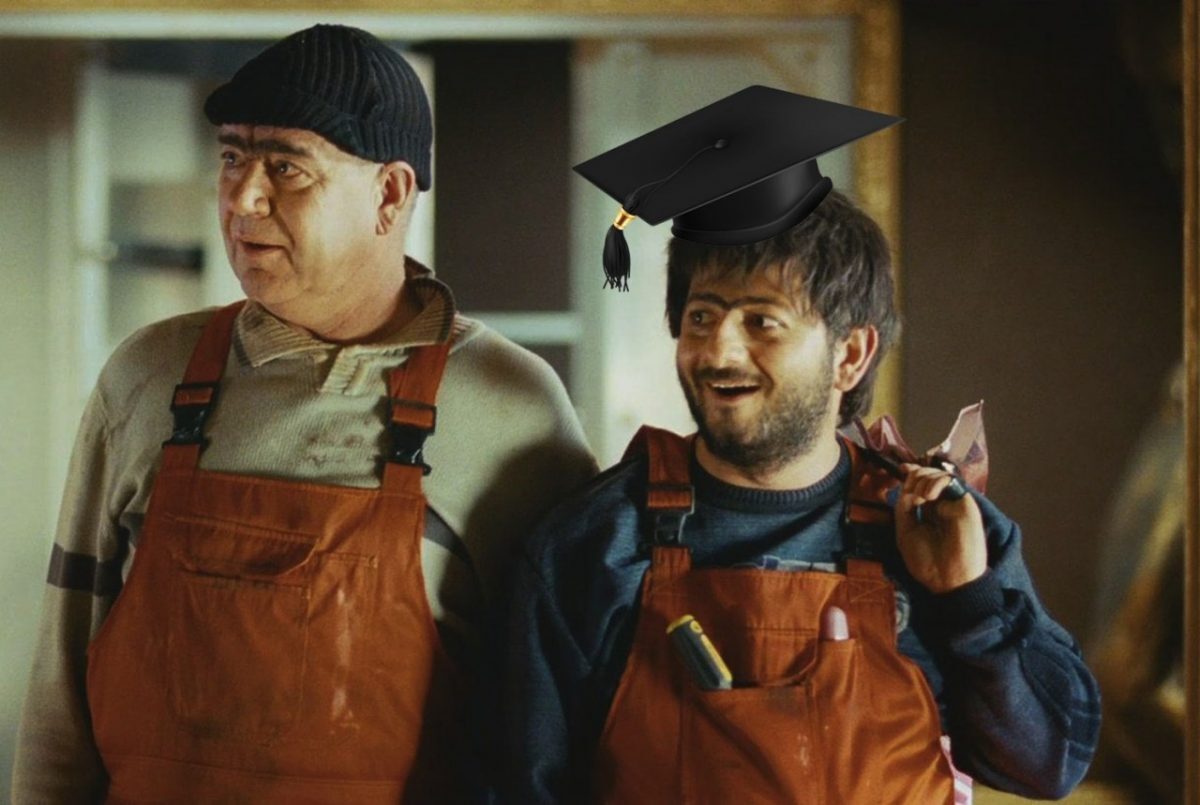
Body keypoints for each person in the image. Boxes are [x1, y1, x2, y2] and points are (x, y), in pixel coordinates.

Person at [13, 24, 595, 803]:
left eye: (285, 166)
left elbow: (563, 727)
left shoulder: (510, 408)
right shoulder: (147, 375)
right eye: (232, 158)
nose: (242, 198)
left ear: (390, 194)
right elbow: (60, 696)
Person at [506, 87, 1100, 803]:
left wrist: (969, 602)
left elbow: (1049, 763)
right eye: (702, 317)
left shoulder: (938, 528)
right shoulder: (595, 543)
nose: (718, 351)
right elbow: (519, 787)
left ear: (850, 354)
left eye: (762, 321)